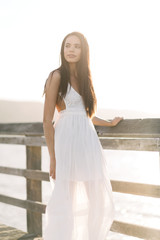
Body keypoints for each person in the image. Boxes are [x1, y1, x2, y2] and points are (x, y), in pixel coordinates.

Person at [42, 31, 123, 240]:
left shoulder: (85, 78)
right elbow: (46, 120)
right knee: (65, 201)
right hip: (66, 142)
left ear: (83, 50)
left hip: (87, 142)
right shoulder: (56, 76)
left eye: (76, 46)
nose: (71, 50)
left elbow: (86, 114)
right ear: (63, 49)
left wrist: (108, 123)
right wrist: (53, 158)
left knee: (96, 197)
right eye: (67, 45)